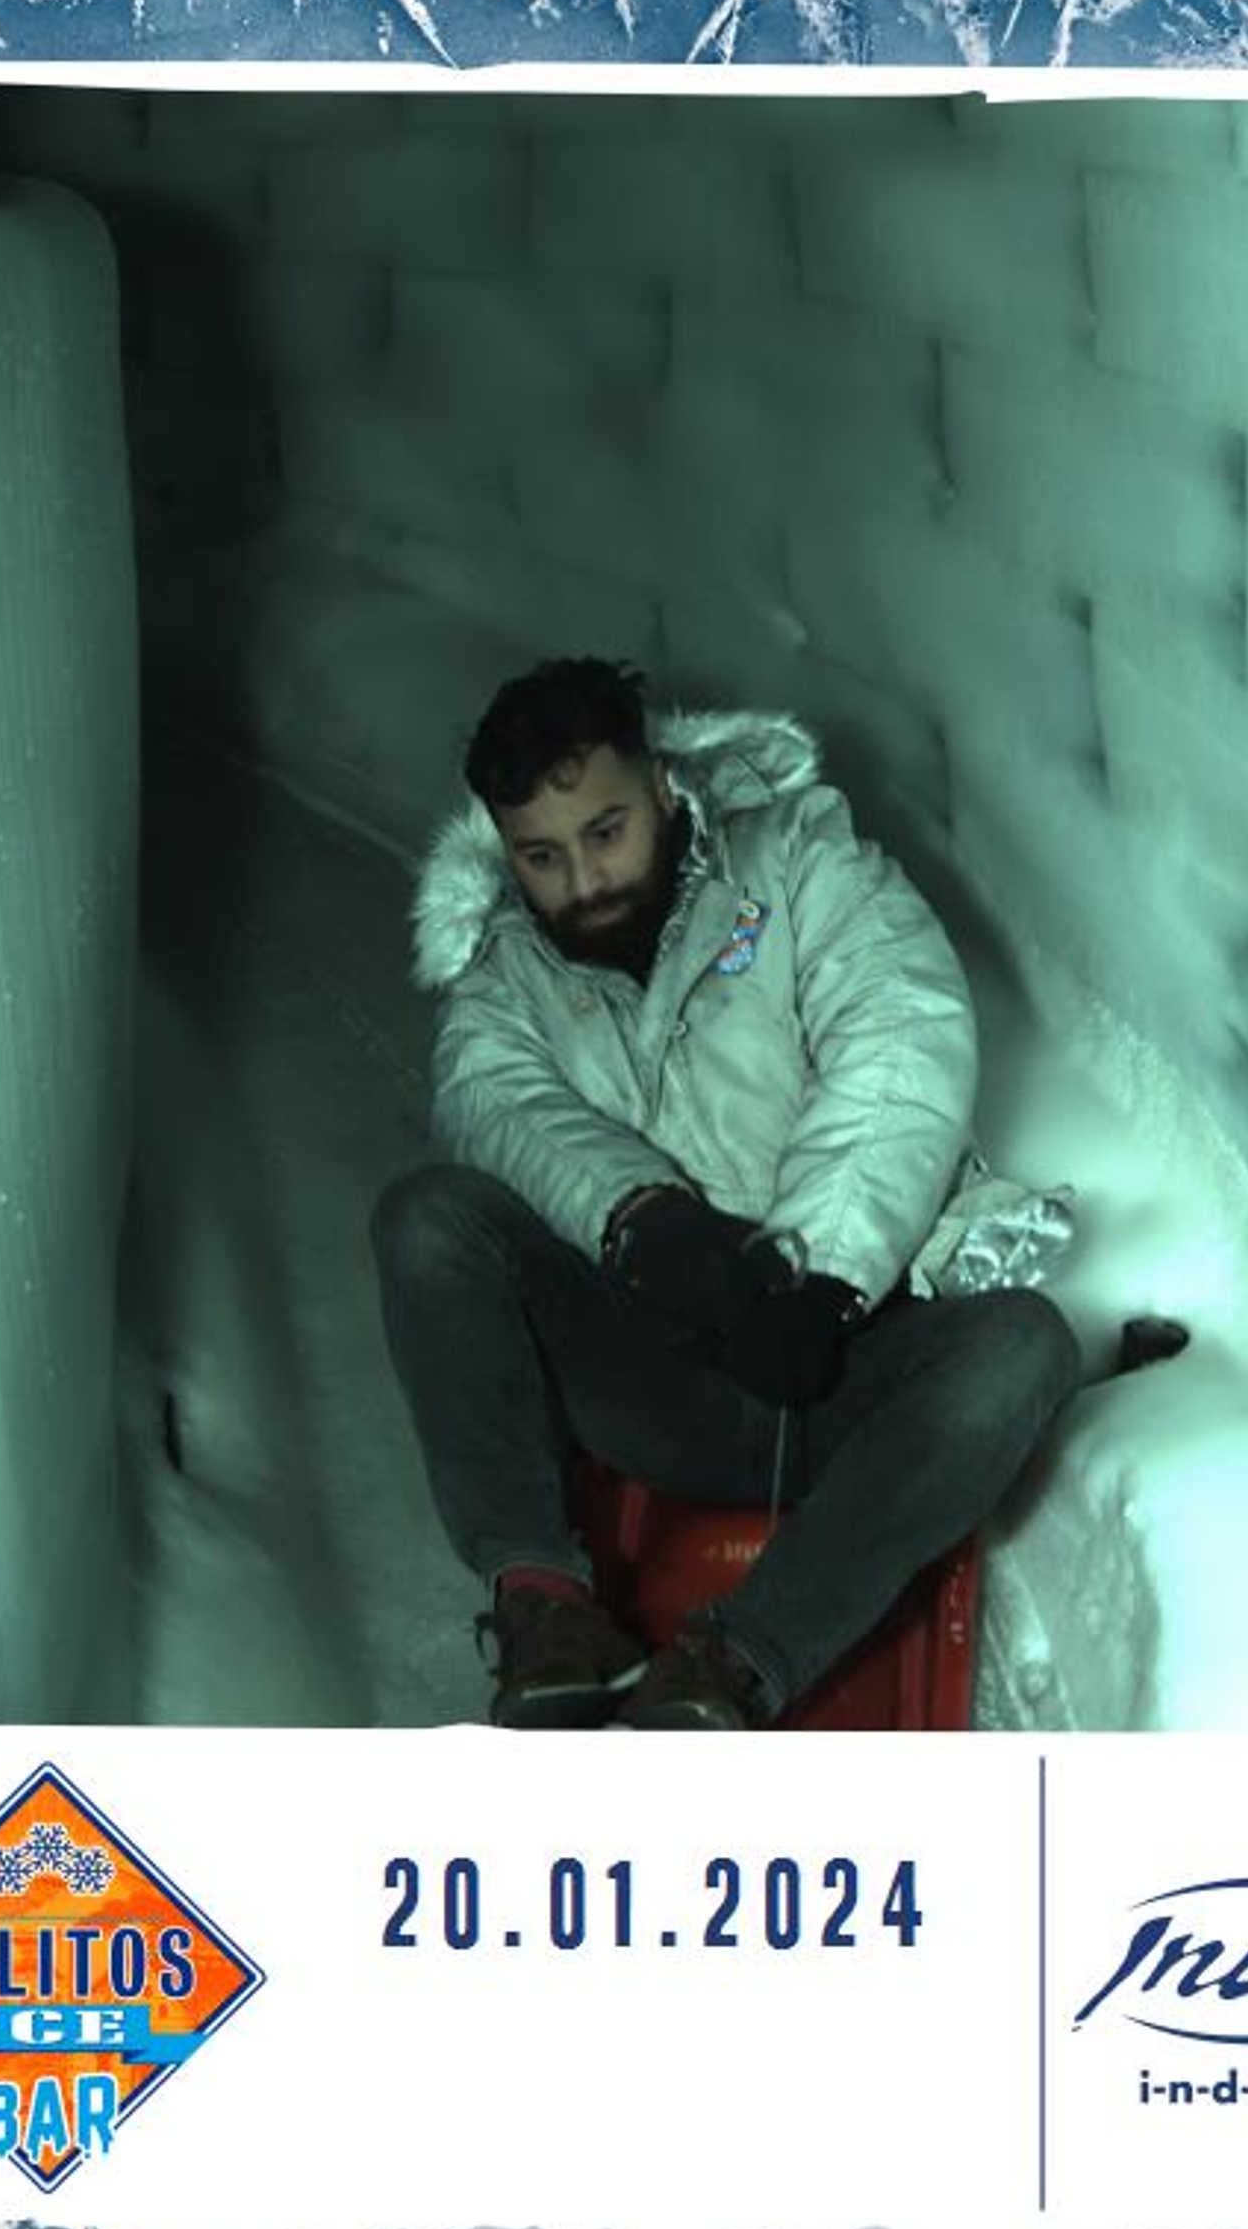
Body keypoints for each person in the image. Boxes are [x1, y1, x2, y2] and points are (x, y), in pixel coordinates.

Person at [372, 657, 1079, 1730]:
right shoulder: (502, 978)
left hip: (843, 1358)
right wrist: (649, 1228)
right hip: (656, 1373)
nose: (583, 881)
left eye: (605, 831)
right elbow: (496, 1105)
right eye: (541, 856)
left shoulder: (802, 867)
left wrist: (821, 1274)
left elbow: (898, 1038)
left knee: (1023, 1348)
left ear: (662, 785)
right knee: (429, 1221)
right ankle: (547, 1610)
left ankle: (735, 1661)